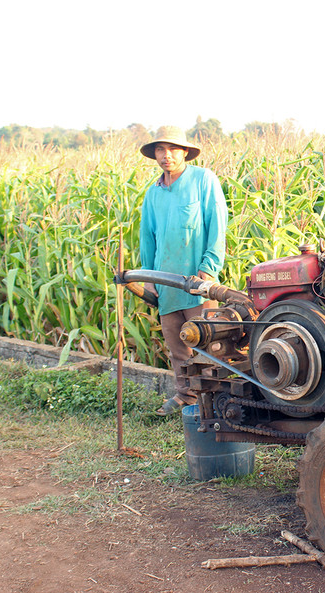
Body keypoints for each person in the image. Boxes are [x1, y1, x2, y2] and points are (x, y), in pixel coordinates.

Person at [138, 126, 228, 415]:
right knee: (178, 345)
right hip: (166, 283)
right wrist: (149, 278)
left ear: (185, 151)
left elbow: (217, 226)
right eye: (161, 150)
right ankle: (185, 396)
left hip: (197, 282)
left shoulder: (203, 180)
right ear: (154, 154)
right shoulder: (153, 194)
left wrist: (208, 269)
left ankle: (214, 400)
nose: (167, 156)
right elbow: (147, 238)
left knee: (207, 342)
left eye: (173, 149)